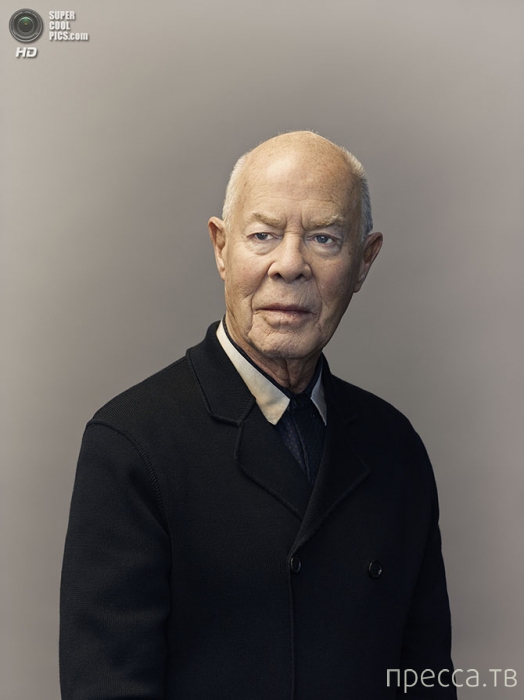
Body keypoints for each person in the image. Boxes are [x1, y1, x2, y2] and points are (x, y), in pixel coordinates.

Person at [59, 131, 456, 699]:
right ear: (222, 248)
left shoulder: (396, 446)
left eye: (324, 238)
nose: (289, 265)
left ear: (365, 261)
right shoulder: (131, 444)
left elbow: (428, 679)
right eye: (263, 235)